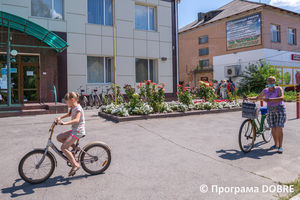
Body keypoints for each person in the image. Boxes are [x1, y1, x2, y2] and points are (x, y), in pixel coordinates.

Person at [244, 76, 286, 153]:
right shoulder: (265, 91)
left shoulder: (278, 89)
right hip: (270, 110)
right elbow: (257, 97)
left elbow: (281, 98)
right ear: (267, 82)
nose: (270, 83)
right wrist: (247, 98)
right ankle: (275, 144)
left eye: (272, 81)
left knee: (279, 128)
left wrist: (269, 99)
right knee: (273, 128)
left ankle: (280, 146)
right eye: (269, 81)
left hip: (280, 110)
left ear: (275, 82)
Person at [56, 92, 86, 176]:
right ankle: (74, 148)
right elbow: (69, 114)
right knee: (59, 137)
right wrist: (60, 117)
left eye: (66, 101)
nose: (65, 103)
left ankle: (75, 164)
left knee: (63, 147)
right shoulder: (73, 107)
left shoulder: (78, 108)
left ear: (72, 100)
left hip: (78, 131)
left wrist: (64, 123)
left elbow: (76, 120)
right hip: (74, 130)